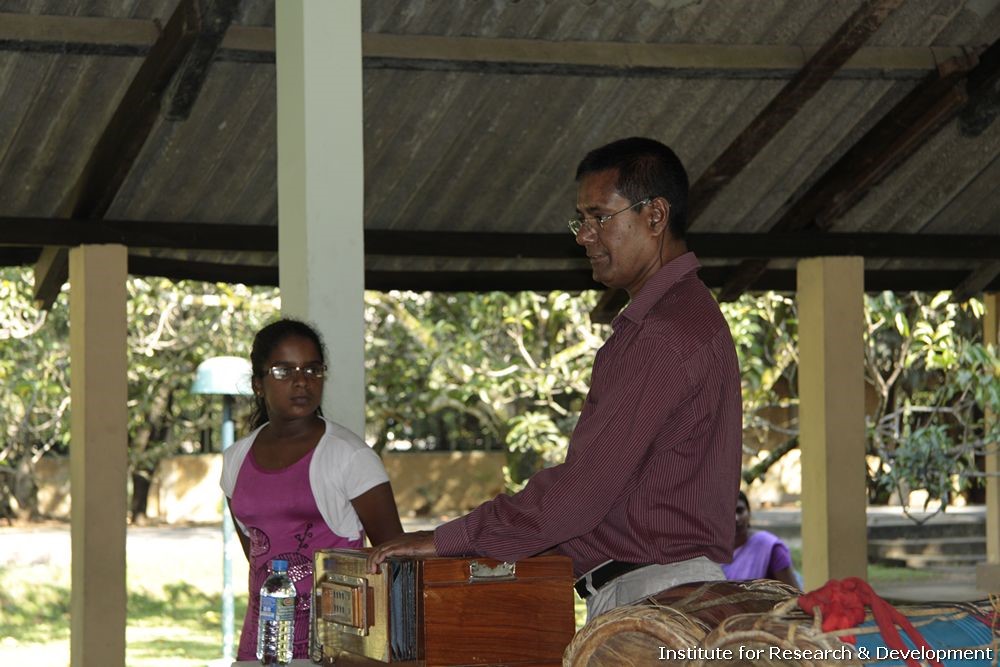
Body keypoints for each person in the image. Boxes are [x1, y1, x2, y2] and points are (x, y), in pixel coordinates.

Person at [367, 137, 743, 621]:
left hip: (653, 596)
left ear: (654, 216)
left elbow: (579, 497)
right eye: (580, 220)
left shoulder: (664, 332)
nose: (584, 236)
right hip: (655, 590)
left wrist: (448, 539)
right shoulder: (677, 316)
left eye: (599, 217)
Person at [221, 318, 403, 660]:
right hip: (262, 646)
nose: (302, 381)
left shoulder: (350, 457)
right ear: (258, 384)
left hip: (333, 649)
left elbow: (395, 562)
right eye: (283, 371)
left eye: (312, 369)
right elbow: (258, 556)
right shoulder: (235, 460)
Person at [723, 490, 800, 589]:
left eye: (740, 510)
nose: (736, 518)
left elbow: (795, 595)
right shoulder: (710, 552)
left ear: (749, 513)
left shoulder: (770, 548)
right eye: (728, 513)